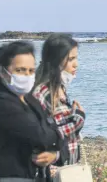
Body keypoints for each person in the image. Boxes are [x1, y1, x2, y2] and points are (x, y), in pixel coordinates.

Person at [0, 41, 63, 182]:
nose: (27, 75)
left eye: (31, 70)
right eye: (20, 70)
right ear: (2, 72)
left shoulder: (31, 100)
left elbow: (61, 141)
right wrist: (54, 130)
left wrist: (54, 155)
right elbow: (41, 136)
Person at [33, 33, 85, 170]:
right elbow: (42, 134)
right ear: (56, 61)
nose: (76, 65)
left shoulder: (59, 89)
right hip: (52, 172)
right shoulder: (43, 93)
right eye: (71, 59)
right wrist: (78, 119)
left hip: (68, 168)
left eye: (76, 58)